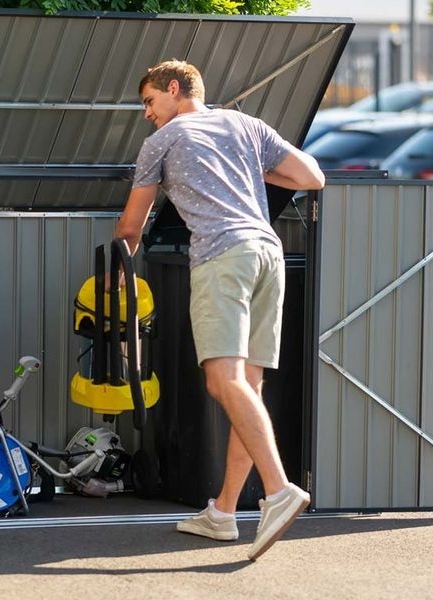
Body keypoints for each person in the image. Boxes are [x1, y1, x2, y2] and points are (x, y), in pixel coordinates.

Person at [114, 60, 324, 560]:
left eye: (149, 101)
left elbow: (130, 227)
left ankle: (278, 489)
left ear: (173, 89)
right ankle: (224, 512)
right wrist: (252, 169)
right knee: (247, 386)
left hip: (221, 257)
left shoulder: (162, 141)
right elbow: (312, 176)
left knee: (221, 381)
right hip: (267, 254)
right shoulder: (245, 125)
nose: (147, 113)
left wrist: (116, 273)